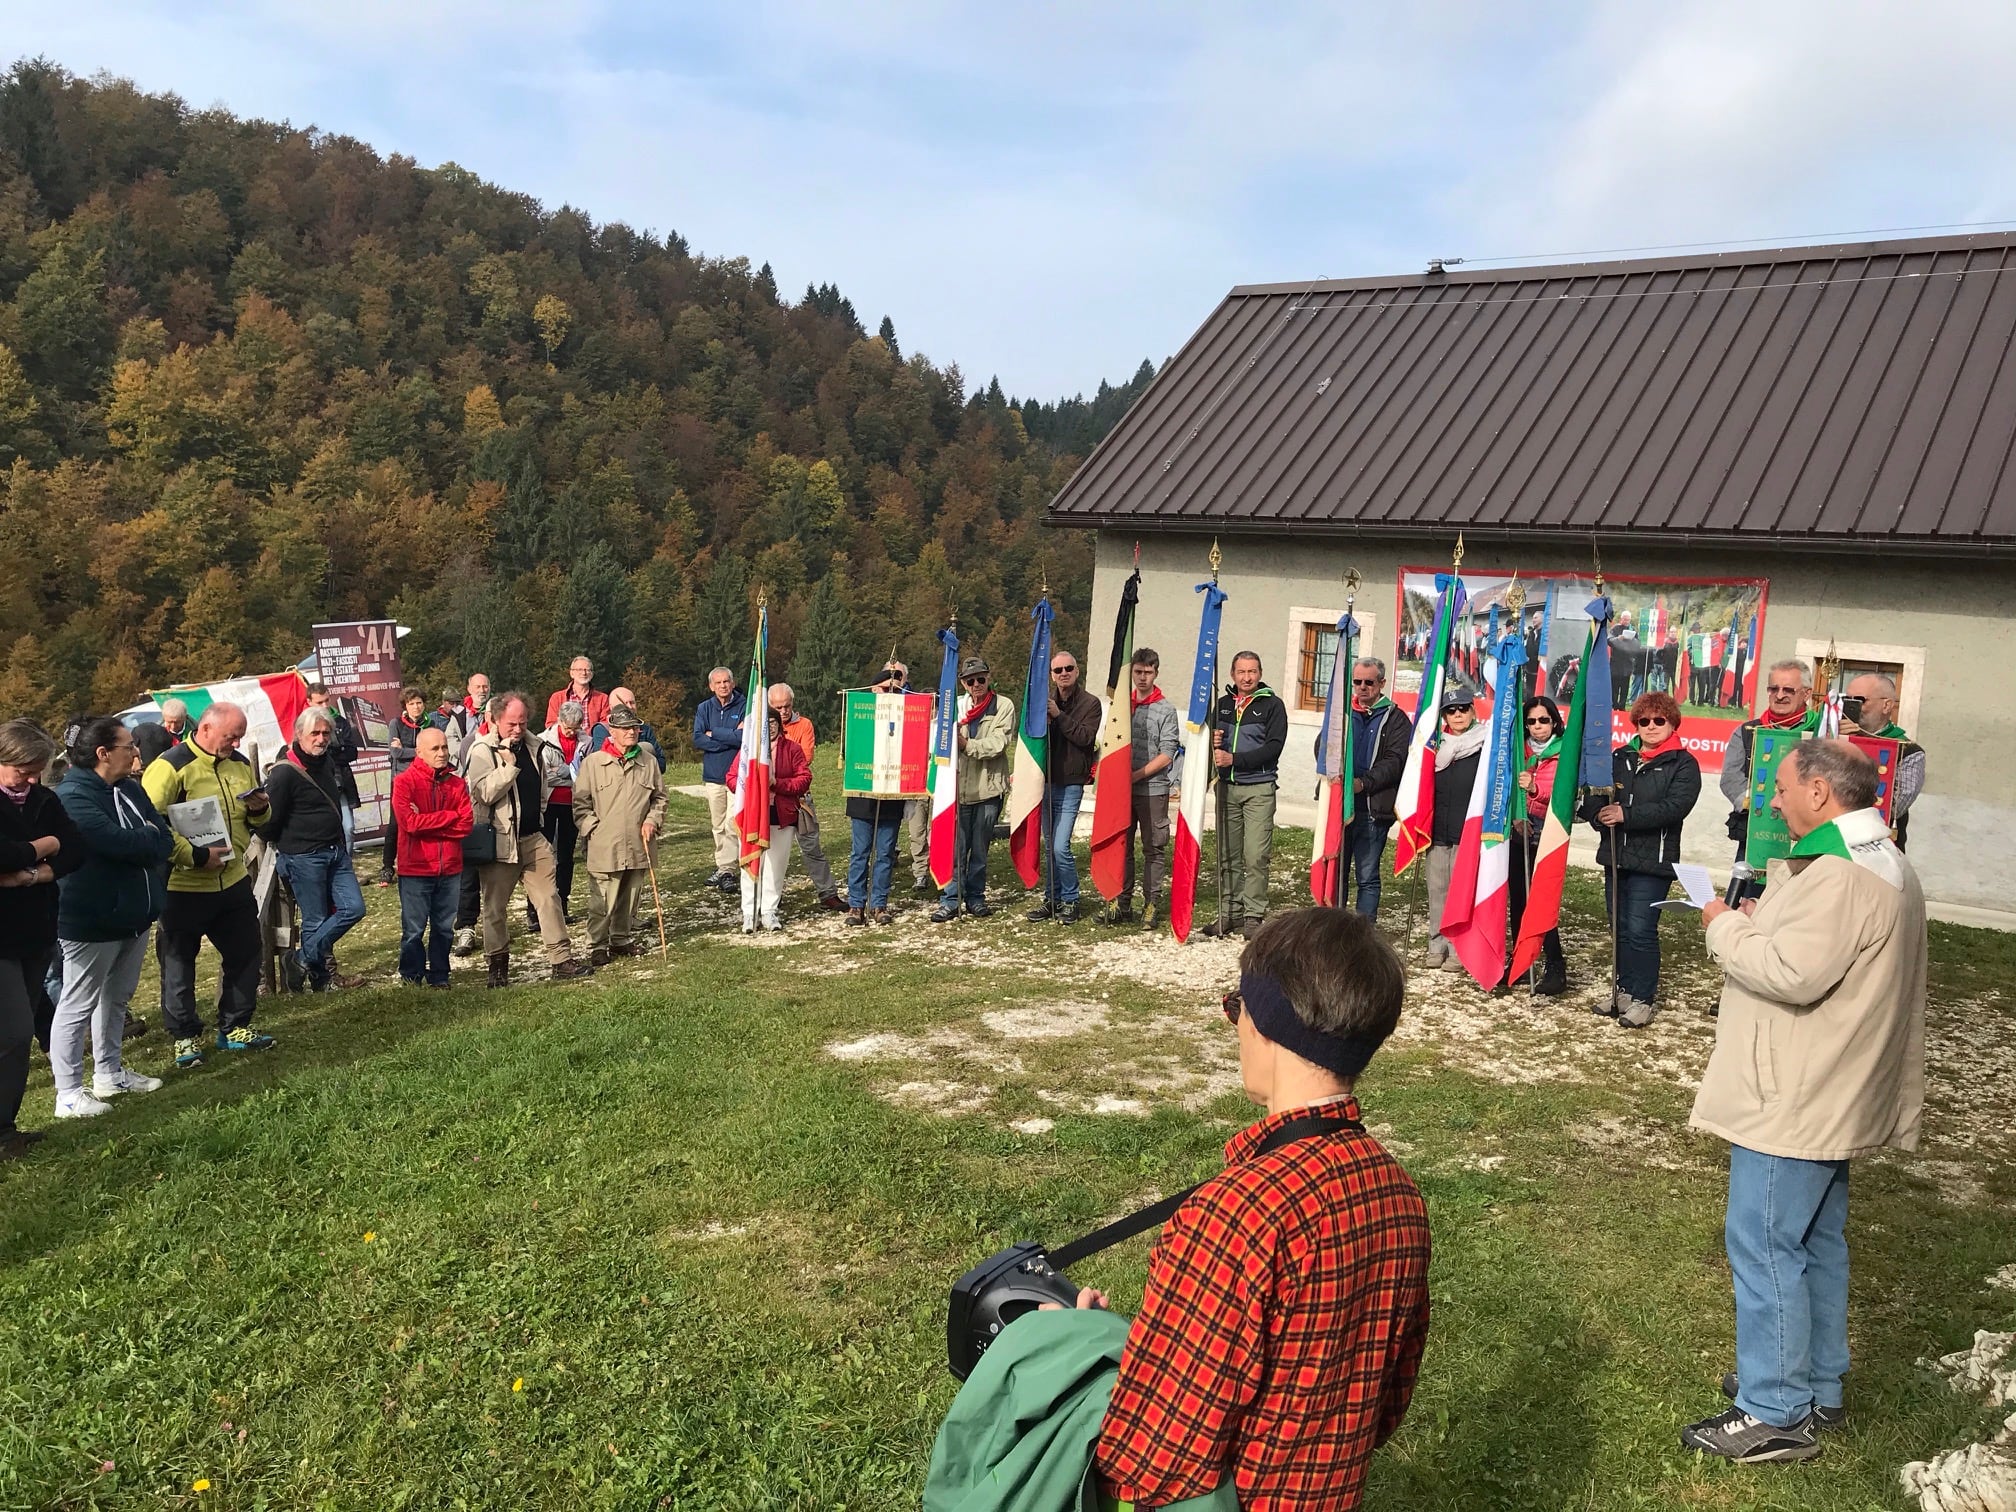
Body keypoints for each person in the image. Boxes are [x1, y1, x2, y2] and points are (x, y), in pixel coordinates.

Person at [1083, 907, 1430, 1506]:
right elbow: (1387, 1403)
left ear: (1266, 1024)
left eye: (1235, 1007)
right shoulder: (1399, 1196)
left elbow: (1152, 1457)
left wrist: (1081, 1349)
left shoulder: (1233, 1215)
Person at [1681, 740, 1925, 1464]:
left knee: (1764, 1244)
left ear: (1820, 792)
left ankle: (1774, 1411)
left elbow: (1792, 973)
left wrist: (1722, 922)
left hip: (1795, 1091)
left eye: (1781, 787)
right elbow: (1822, 955)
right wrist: (1764, 917)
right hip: (1830, 1084)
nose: (1772, 799)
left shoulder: (1841, 874)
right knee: (1816, 1243)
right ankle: (1814, 1381)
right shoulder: (1872, 859)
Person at [50, 717, 173, 1119]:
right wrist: (148, 842)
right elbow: (111, 841)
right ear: (103, 754)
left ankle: (109, 1072)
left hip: (134, 914)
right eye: (128, 745)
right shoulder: (73, 796)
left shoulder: (130, 789)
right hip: (93, 918)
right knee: (77, 1002)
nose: (136, 751)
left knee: (117, 998)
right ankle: (68, 1093)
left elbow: (163, 836)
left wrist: (148, 841)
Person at [141, 702, 275, 1067]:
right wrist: (194, 856)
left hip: (232, 880)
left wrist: (261, 808)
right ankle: (184, 1037)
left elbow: (257, 819)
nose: (235, 743)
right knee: (179, 963)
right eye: (230, 737)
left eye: (239, 738)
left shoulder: (240, 765)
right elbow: (150, 822)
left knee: (246, 952)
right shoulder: (170, 766)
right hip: (183, 885)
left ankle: (234, 1026)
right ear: (205, 729)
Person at [1583, 689, 1702, 1028]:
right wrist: (1597, 816)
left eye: (1659, 720)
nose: (1651, 726)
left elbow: (1675, 808)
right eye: (1644, 720)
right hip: (1616, 856)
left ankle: (1643, 998)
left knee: (1640, 930)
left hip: (1654, 861)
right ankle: (1622, 989)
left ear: (1672, 723)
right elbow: (1596, 796)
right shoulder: (1620, 757)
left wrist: (1626, 815)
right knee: (1618, 927)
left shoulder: (1683, 764)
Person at [464, 693, 592, 987]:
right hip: (500, 840)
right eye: (511, 723)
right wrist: (508, 766)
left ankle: (561, 961)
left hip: (533, 837)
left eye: (522, 722)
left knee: (549, 897)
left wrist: (542, 816)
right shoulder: (482, 750)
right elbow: (484, 793)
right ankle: (497, 967)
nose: (518, 728)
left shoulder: (535, 744)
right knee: (495, 907)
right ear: (495, 719)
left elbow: (542, 785)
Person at [1, 720, 85, 1153]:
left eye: (38, 770)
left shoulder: (44, 799)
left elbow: (75, 849)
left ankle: (7, 1127)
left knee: (21, 1023)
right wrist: (45, 844)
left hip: (36, 927)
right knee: (14, 1030)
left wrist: (32, 873)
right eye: (24, 771)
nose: (32, 780)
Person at [265, 707, 368, 992]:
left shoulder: (326, 761)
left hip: (335, 851)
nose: (321, 739)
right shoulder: (284, 773)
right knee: (316, 920)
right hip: (303, 857)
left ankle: (299, 959)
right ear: (299, 734)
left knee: (353, 908)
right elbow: (269, 822)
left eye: (326, 733)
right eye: (315, 733)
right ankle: (321, 980)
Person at [1200, 652, 1287, 940]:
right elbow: (1210, 747)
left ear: (1260, 673)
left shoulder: (1273, 706)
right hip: (1226, 787)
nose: (1247, 677)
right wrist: (1211, 742)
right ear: (1232, 674)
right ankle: (1230, 911)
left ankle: (1253, 914)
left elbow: (1273, 748)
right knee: (1228, 854)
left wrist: (1233, 758)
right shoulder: (1223, 705)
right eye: (1241, 672)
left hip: (1258, 788)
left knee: (1256, 855)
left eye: (1252, 671)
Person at [573, 706, 666, 964]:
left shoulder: (648, 761)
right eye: (626, 728)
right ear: (611, 732)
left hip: (639, 843)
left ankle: (621, 940)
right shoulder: (593, 763)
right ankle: (597, 945)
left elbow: (660, 798)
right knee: (603, 898)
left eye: (635, 727)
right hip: (605, 844)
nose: (632, 732)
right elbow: (580, 803)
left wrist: (652, 821)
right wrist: (593, 829)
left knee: (630, 895)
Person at [929, 656, 1015, 922]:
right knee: (956, 848)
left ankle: (976, 898)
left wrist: (966, 745)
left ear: (989, 678)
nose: (976, 684)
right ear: (963, 684)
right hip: (958, 790)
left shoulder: (1003, 706)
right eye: (970, 681)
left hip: (988, 790)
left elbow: (998, 744)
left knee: (979, 849)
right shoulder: (954, 708)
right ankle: (951, 899)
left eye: (981, 678)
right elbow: (936, 742)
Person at [1718, 659, 1814, 892]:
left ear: (1806, 693)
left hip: (1807, 835)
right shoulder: (1748, 731)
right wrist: (1760, 805)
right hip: (1757, 833)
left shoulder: (1822, 732)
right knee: (1747, 906)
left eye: (1788, 690)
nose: (1779, 695)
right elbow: (1730, 778)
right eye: (1773, 689)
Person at [391, 725, 472, 989]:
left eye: (445, 747)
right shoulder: (404, 783)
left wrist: (428, 820)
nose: (442, 753)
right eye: (435, 748)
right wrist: (449, 816)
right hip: (416, 868)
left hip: (449, 867)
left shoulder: (457, 784)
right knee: (413, 930)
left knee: (444, 927)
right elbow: (409, 824)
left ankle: (440, 976)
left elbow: (466, 825)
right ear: (420, 752)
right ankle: (411, 977)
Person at [1027, 647, 1100, 923]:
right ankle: (1052, 899)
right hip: (1045, 782)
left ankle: (1071, 899)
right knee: (1049, 847)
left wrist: (1058, 716)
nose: (1064, 674)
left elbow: (1085, 738)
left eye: (1068, 668)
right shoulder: (1043, 703)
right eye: (1058, 670)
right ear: (1052, 675)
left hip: (1071, 783)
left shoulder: (1090, 703)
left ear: (1077, 671)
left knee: (1060, 846)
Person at [1334, 657, 1409, 918]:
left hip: (1372, 808)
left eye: (1369, 682)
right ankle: (1334, 932)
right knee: (1336, 873)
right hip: (1339, 807)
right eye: (1357, 682)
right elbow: (1324, 746)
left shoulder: (1395, 718)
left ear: (1381, 683)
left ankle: (1363, 935)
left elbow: (1395, 761)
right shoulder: (1341, 714)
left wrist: (1364, 783)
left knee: (1366, 875)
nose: (1362, 687)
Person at [725, 706, 810, 931]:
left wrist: (777, 784)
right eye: (764, 724)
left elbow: (803, 779)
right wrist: (750, 787)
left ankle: (769, 911)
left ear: (779, 725)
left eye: (772, 723)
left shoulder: (792, 749)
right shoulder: (748, 751)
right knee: (751, 864)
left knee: (775, 866)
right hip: (753, 815)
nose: (769, 728)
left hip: (781, 816)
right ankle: (749, 913)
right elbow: (732, 778)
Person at [1114, 647, 1180, 927]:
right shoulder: (1122, 706)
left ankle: (1151, 904)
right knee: (1122, 847)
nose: (1142, 678)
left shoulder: (1166, 709)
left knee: (1153, 849)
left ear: (1156, 672)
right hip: (1122, 792)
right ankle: (1122, 902)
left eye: (1147, 672)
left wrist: (1136, 775)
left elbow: (1167, 753)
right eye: (1138, 672)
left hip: (1152, 790)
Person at [1508, 695, 1568, 996]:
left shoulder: (1564, 751)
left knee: (1541, 900)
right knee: (1518, 899)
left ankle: (1555, 964)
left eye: (1543, 720)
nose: (1537, 726)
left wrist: (1534, 787)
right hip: (1519, 828)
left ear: (1554, 721)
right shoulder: (1519, 749)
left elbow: (1562, 789)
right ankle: (1520, 959)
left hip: (1547, 831)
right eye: (1531, 721)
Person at [1423, 688, 1486, 970]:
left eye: (1463, 708)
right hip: (1437, 831)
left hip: (1467, 832)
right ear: (1444, 715)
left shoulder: (1484, 745)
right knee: (1437, 889)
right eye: (1451, 710)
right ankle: (1437, 944)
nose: (1458, 714)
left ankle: (1458, 946)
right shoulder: (1434, 746)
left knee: (1461, 893)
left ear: (1473, 711)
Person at [767, 682, 845, 911]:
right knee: (771, 852)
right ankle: (771, 896)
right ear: (770, 706)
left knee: (811, 847)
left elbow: (804, 759)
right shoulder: (760, 727)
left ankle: (827, 892)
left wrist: (778, 772)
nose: (783, 711)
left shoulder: (804, 725)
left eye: (787, 706)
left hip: (799, 800)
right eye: (778, 707)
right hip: (771, 801)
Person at [845, 666, 908, 927]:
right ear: (873, 689)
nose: (890, 694)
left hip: (891, 795)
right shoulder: (860, 715)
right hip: (863, 796)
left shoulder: (904, 716)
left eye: (895, 690)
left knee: (884, 853)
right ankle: (856, 904)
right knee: (860, 853)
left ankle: (879, 904)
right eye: (885, 689)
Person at [1842, 672, 1926, 850]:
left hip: (1878, 851)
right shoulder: (1833, 740)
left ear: (1887, 705)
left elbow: (1892, 809)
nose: (1851, 707)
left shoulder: (1909, 751)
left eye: (1860, 700)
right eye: (1846, 700)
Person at [534, 700, 588, 926]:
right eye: (568, 728)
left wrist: (565, 772)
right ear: (559, 721)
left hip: (572, 804)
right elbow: (547, 775)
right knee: (543, 856)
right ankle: (535, 910)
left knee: (566, 856)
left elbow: (586, 773)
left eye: (575, 728)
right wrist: (571, 772)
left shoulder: (587, 741)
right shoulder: (542, 741)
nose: (571, 732)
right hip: (548, 803)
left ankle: (563, 905)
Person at [885, 660, 935, 894]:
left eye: (933, 704)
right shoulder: (911, 724)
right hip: (916, 786)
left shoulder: (943, 728)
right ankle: (920, 873)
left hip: (937, 785)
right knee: (917, 833)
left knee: (937, 831)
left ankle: (937, 869)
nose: (930, 708)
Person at [693, 667, 746, 891]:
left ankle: (729, 869)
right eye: (718, 683)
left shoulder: (744, 705)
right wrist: (729, 736)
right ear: (711, 686)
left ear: (733, 684)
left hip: (736, 775)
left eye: (726, 681)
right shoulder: (704, 708)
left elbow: (744, 738)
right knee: (717, 824)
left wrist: (714, 733)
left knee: (733, 823)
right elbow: (697, 738)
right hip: (713, 776)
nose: (723, 685)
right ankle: (723, 867)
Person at [380, 686, 430, 886]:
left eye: (419, 703)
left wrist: (408, 750)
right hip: (400, 780)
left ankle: (417, 863)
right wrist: (419, 751)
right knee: (395, 824)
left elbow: (433, 752)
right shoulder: (396, 723)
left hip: (424, 779)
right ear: (405, 706)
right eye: (411, 704)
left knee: (422, 822)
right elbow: (395, 754)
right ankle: (386, 866)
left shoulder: (431, 723)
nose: (416, 707)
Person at [587, 687, 667, 771]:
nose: (630, 707)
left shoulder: (645, 729)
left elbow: (662, 765)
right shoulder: (602, 730)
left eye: (632, 703)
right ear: (611, 707)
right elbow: (602, 764)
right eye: (624, 703)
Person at [545, 656, 611, 733]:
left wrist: (586, 736)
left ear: (592, 674)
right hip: (564, 741)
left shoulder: (602, 699)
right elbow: (551, 725)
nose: (584, 673)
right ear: (571, 673)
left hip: (593, 742)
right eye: (579, 669)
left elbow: (605, 726)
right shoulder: (557, 698)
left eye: (587, 670)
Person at [133, 697, 189, 766]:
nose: (173, 726)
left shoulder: (195, 732)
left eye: (177, 722)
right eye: (169, 722)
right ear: (164, 717)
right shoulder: (154, 733)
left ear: (185, 718)